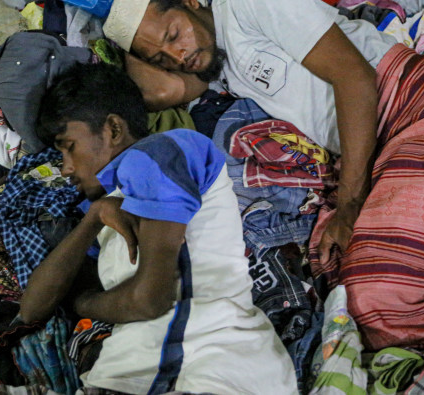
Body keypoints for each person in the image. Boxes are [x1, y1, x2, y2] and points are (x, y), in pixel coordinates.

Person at [102, 0, 424, 367]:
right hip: (385, 145)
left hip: (423, 111)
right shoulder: (215, 64)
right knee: (376, 288)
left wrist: (350, 205)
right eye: (161, 57)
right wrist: (134, 36)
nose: (178, 56)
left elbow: (355, 77)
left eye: (173, 35)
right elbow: (156, 93)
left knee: (375, 297)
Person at [20, 63, 298, 394]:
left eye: (69, 146)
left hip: (208, 367)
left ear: (113, 129)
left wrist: (82, 303)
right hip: (150, 373)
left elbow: (150, 300)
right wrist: (92, 219)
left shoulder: (159, 153)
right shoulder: (105, 207)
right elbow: (31, 310)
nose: (65, 168)